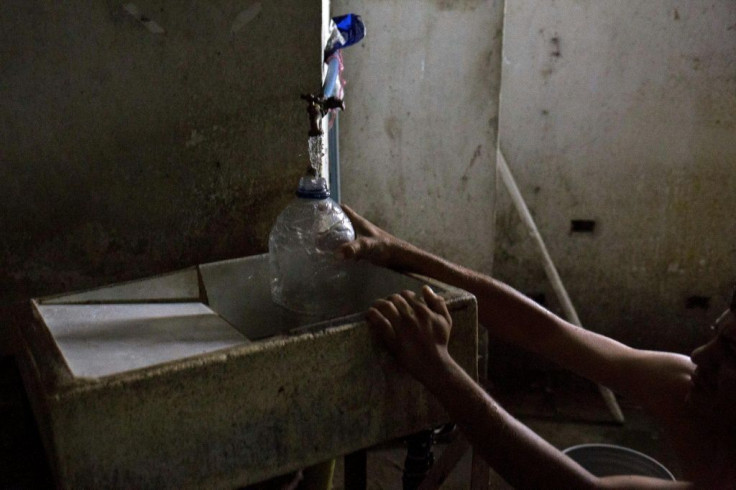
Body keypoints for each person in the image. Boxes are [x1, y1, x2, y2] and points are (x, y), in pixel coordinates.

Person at [335, 205, 736, 489]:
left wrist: (439, 367)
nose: (701, 356)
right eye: (717, 335)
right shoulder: (692, 386)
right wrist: (395, 250)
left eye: (731, 353)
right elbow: (547, 332)